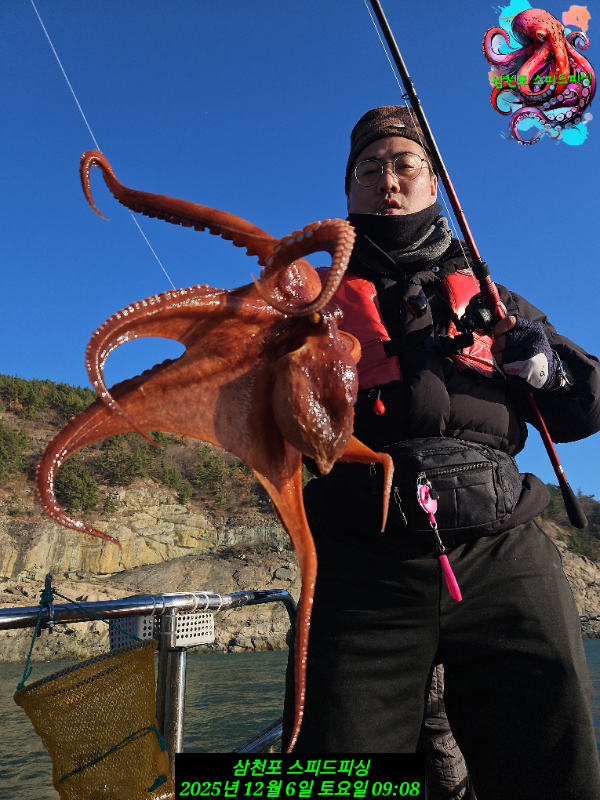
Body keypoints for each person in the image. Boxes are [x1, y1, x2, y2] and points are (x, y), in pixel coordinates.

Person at [282, 106, 600, 800]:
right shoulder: (306, 303)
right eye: (369, 168)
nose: (387, 180)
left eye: (405, 164)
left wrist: (548, 370)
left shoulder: (495, 298)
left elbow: (587, 407)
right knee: (331, 773)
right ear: (349, 189)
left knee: (555, 765)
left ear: (434, 184)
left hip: (503, 550)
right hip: (360, 560)